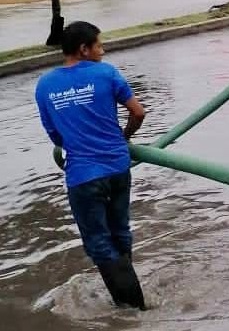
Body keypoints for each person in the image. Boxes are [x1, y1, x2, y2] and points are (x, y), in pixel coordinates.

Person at [34, 21, 147, 309]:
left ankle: (132, 310)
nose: (103, 50)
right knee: (120, 231)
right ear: (84, 49)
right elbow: (138, 112)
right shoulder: (106, 73)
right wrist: (123, 138)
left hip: (83, 176)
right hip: (118, 169)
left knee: (98, 242)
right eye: (99, 45)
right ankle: (130, 297)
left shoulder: (45, 84)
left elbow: (55, 135)